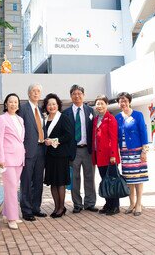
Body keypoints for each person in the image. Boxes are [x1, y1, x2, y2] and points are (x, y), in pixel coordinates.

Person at [63, 84, 98, 214]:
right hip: (74, 150)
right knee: (75, 178)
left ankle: (90, 203)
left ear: (83, 95)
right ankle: (77, 204)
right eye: (74, 94)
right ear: (71, 96)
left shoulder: (90, 111)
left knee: (90, 177)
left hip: (88, 150)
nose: (77, 96)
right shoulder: (66, 113)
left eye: (79, 94)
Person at [115, 92, 149, 216]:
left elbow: (143, 133)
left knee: (139, 178)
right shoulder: (117, 117)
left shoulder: (138, 115)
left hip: (137, 151)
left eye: (125, 100)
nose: (123, 103)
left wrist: (144, 151)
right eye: (120, 101)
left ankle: (139, 204)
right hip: (124, 153)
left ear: (129, 101)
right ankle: (131, 203)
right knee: (129, 179)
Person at [18, 83, 47, 221]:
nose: (36, 93)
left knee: (38, 181)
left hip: (41, 150)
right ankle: (26, 210)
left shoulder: (40, 111)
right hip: (28, 151)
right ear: (29, 93)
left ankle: (36, 208)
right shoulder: (22, 109)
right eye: (33, 91)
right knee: (27, 182)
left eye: (38, 91)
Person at [0, 93, 26, 230]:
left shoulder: (20, 119)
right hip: (8, 159)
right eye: (11, 102)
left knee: (13, 187)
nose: (13, 104)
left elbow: (21, 139)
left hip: (19, 158)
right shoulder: (2, 119)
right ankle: (12, 218)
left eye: (16, 102)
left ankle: (6, 213)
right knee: (11, 189)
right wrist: (0, 158)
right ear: (6, 104)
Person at [42, 93, 73, 218]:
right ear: (46, 106)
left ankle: (61, 207)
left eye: (54, 104)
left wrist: (54, 141)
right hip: (49, 156)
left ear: (58, 105)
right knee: (53, 182)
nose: (52, 106)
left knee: (60, 182)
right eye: (49, 104)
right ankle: (56, 207)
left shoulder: (63, 117)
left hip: (61, 155)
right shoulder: (44, 119)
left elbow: (68, 135)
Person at [92, 95, 121, 215]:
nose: (99, 106)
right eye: (97, 104)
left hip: (110, 157)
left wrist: (113, 155)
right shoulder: (96, 119)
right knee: (105, 181)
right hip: (99, 156)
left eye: (102, 103)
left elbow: (114, 139)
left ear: (106, 104)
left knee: (112, 182)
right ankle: (108, 203)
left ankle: (115, 206)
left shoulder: (111, 119)